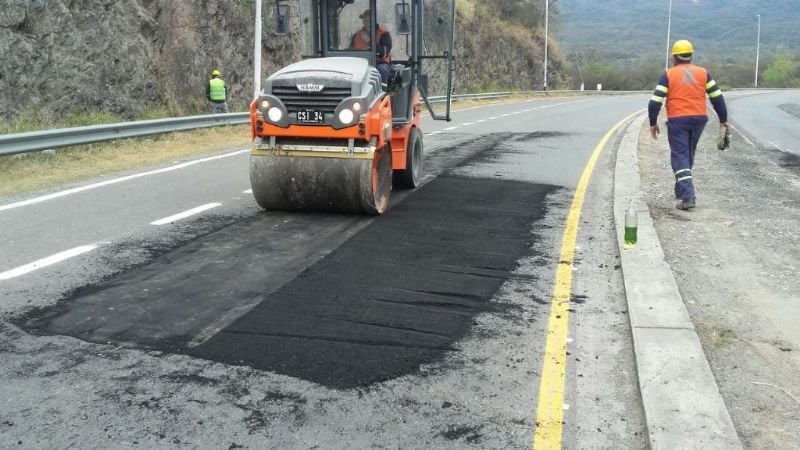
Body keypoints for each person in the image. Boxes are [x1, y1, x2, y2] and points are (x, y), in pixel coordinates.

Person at [648, 40, 729, 211]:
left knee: (680, 156)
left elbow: (655, 101)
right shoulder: (704, 73)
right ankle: (681, 190)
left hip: (677, 120)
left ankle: (688, 196)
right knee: (687, 155)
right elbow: (717, 98)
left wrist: (653, 122)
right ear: (691, 56)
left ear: (674, 57)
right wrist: (723, 120)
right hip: (699, 120)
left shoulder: (669, 74)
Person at [349, 9, 392, 83]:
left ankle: (384, 90)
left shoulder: (384, 34)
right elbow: (350, 51)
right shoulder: (356, 35)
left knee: (382, 70)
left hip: (378, 63)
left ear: (374, 20)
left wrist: (370, 41)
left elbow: (384, 53)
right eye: (365, 20)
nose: (367, 22)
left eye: (369, 20)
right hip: (359, 64)